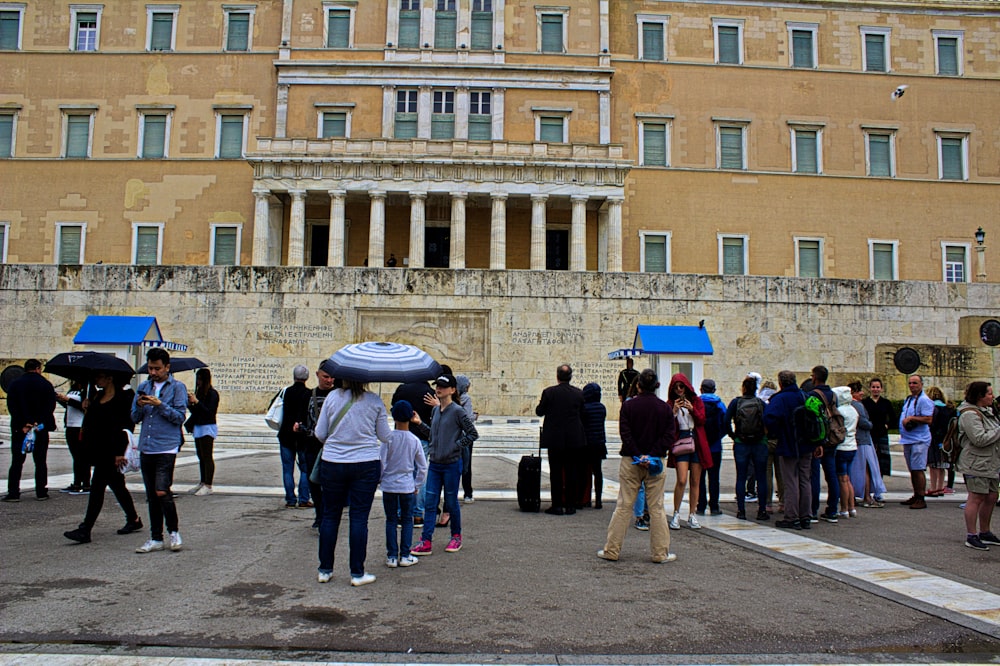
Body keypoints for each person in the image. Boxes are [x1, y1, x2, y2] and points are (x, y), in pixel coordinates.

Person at [314, 377, 392, 586]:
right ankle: (357, 573)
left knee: (330, 516)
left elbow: (320, 433)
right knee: (359, 518)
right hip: (365, 462)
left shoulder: (332, 397)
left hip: (333, 461)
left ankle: (325, 569)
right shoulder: (374, 401)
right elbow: (385, 436)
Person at [598, 368, 677, 563]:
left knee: (624, 505)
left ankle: (612, 550)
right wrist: (651, 455)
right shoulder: (665, 408)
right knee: (657, 507)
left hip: (631, 460)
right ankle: (660, 553)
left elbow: (625, 433)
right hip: (656, 460)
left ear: (638, 385)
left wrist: (637, 454)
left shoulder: (628, 406)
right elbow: (669, 435)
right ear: (656, 386)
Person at [63, 370, 143, 543]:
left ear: (109, 378)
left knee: (97, 487)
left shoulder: (123, 399)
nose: (96, 380)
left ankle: (86, 529)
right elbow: (92, 423)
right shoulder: (96, 397)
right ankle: (134, 519)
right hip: (98, 449)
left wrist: (119, 453)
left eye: (99, 377)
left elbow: (126, 427)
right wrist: (87, 407)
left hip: (112, 450)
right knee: (117, 486)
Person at [413, 374, 478, 555]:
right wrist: (419, 424)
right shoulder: (435, 411)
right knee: (430, 503)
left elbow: (472, 434)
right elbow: (432, 436)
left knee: (451, 501)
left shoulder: (458, 411)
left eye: (442, 386)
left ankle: (456, 537)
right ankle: (426, 540)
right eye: (437, 385)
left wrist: (456, 446)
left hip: (451, 464)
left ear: (452, 390)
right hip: (435, 463)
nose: (438, 389)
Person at [131, 348, 188, 553]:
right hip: (147, 445)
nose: (153, 372)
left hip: (166, 445)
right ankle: (156, 537)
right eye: (150, 368)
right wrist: (139, 405)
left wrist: (159, 404)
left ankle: (173, 532)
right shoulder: (144, 387)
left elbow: (179, 416)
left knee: (162, 490)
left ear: (167, 367)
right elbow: (134, 417)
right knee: (151, 495)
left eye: (157, 368)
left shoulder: (177, 388)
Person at [764, 370, 815, 530]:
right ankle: (805, 516)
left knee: (791, 481)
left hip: (788, 443)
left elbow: (769, 418)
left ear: (780, 383)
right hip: (806, 444)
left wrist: (777, 431)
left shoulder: (780, 399)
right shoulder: (804, 396)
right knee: (805, 480)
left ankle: (792, 516)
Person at [381, 400, 428, 568]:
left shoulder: (388, 439)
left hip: (389, 485)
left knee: (391, 520)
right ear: (411, 416)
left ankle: (392, 556)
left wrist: (380, 479)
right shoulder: (414, 440)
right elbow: (422, 466)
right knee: (407, 520)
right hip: (407, 485)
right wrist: (417, 484)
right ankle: (405, 555)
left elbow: (381, 462)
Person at [535, 364, 587, 516]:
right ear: (570, 377)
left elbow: (539, 412)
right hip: (573, 438)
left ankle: (557, 505)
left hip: (555, 439)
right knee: (571, 472)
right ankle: (570, 505)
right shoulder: (578, 394)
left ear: (557, 376)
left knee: (556, 472)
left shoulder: (549, 392)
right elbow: (583, 413)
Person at [4, 358, 58, 502]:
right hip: (39, 428)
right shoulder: (46, 385)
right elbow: (50, 406)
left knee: (17, 461)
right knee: (40, 461)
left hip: (20, 429)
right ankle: (41, 491)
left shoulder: (15, 384)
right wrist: (37, 422)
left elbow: (12, 406)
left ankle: (13, 492)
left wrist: (24, 423)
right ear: (38, 368)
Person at [955, 381, 1000, 551]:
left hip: (991, 462)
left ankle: (985, 531)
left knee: (991, 496)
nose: (992, 396)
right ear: (980, 396)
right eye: (989, 393)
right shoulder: (969, 414)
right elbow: (979, 439)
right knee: (976, 497)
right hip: (977, 463)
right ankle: (971, 535)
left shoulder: (987, 412)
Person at [666, 372, 713, 530]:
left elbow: (702, 420)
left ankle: (692, 514)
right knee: (681, 479)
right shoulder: (670, 403)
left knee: (695, 480)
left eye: (682, 386)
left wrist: (692, 409)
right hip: (681, 440)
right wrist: (673, 411)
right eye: (676, 387)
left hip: (696, 439)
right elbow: (668, 426)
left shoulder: (696, 401)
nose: (679, 389)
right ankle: (676, 512)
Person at [296, 361, 337, 527]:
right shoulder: (308, 395)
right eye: (326, 376)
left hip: (332, 446)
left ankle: (327, 515)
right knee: (314, 482)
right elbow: (302, 417)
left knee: (331, 485)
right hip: (313, 444)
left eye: (332, 377)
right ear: (318, 374)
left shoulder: (338, 396)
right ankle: (320, 514)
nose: (329, 380)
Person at [391, 378, 435, 526]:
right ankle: (417, 514)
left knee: (401, 472)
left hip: (402, 435)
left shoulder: (402, 389)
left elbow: (394, 407)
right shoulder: (430, 392)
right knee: (420, 473)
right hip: (422, 436)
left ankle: (400, 514)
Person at [726, 376, 769, 521]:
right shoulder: (760, 403)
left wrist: (734, 436)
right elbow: (769, 420)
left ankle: (741, 510)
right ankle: (762, 509)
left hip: (741, 442)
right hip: (759, 442)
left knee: (741, 477)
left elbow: (726, 422)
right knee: (761, 477)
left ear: (743, 388)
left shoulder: (736, 402)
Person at [278, 365, 313, 509]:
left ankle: (290, 499)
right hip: (302, 435)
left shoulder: (286, 392)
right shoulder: (309, 393)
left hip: (286, 434)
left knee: (287, 468)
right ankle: (304, 499)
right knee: (305, 469)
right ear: (307, 378)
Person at [809, 365, 840, 524]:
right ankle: (832, 510)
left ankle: (813, 510)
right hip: (832, 439)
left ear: (815, 377)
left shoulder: (813, 395)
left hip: (818, 441)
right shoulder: (833, 395)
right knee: (832, 475)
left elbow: (812, 419)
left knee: (814, 475)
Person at [848, 381, 886, 508]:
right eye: (859, 391)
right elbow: (864, 422)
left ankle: (854, 496)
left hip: (855, 440)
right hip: (863, 440)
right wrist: (871, 424)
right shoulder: (857, 405)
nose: (862, 393)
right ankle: (867, 497)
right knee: (866, 469)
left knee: (855, 469)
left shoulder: (848, 404)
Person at [899, 374, 934, 510]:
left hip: (919, 440)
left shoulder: (924, 400)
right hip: (909, 439)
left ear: (921, 384)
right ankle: (916, 494)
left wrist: (912, 419)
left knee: (918, 469)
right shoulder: (910, 399)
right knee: (912, 469)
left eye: (915, 383)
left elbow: (928, 419)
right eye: (910, 383)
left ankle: (921, 497)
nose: (912, 386)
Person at [186, 368, 219, 496]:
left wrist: (197, 402)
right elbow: (197, 412)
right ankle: (202, 481)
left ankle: (208, 484)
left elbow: (209, 412)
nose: (198, 382)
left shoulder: (212, 394)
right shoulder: (200, 393)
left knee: (207, 455)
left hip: (208, 426)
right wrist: (190, 404)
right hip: (198, 426)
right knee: (200, 456)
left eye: (200, 379)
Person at [697, 379, 726, 516]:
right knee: (714, 477)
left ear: (701, 389)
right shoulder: (720, 405)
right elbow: (725, 425)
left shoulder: (696, 403)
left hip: (700, 446)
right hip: (715, 447)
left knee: (699, 477)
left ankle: (700, 505)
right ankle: (714, 506)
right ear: (714, 389)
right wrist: (717, 437)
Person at [56, 380, 88, 494]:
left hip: (80, 426)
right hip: (70, 425)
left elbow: (85, 408)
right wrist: (61, 400)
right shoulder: (73, 389)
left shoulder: (88, 390)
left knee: (82, 456)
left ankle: (86, 483)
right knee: (75, 456)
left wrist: (69, 400)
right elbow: (69, 406)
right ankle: (76, 482)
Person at [925, 386, 956, 497]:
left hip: (934, 438)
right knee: (942, 466)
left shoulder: (933, 408)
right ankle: (940, 488)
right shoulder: (948, 408)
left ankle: (933, 489)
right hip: (946, 440)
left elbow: (932, 425)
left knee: (933, 465)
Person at [832, 386, 858, 519]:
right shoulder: (853, 410)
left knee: (842, 479)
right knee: (847, 479)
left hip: (842, 447)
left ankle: (844, 508)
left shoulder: (840, 411)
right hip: (852, 446)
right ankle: (852, 507)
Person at [581, 382, 608, 510]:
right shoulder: (602, 408)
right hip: (599, 443)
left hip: (587, 443)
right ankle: (598, 499)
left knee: (585, 472)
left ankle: (584, 499)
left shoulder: (584, 408)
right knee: (598, 472)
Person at [862, 377, 895, 478]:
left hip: (882, 434)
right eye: (873, 387)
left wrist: (887, 426)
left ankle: (880, 482)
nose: (875, 389)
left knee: (882, 460)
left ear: (881, 389)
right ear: (870, 388)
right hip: (869, 434)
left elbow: (893, 418)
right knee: (869, 460)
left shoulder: (886, 403)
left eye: (877, 387)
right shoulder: (865, 402)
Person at [456, 375, 477, 503]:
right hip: (466, 436)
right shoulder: (466, 399)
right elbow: (468, 418)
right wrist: (475, 416)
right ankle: (468, 494)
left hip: (455, 435)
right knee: (466, 464)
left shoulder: (452, 400)